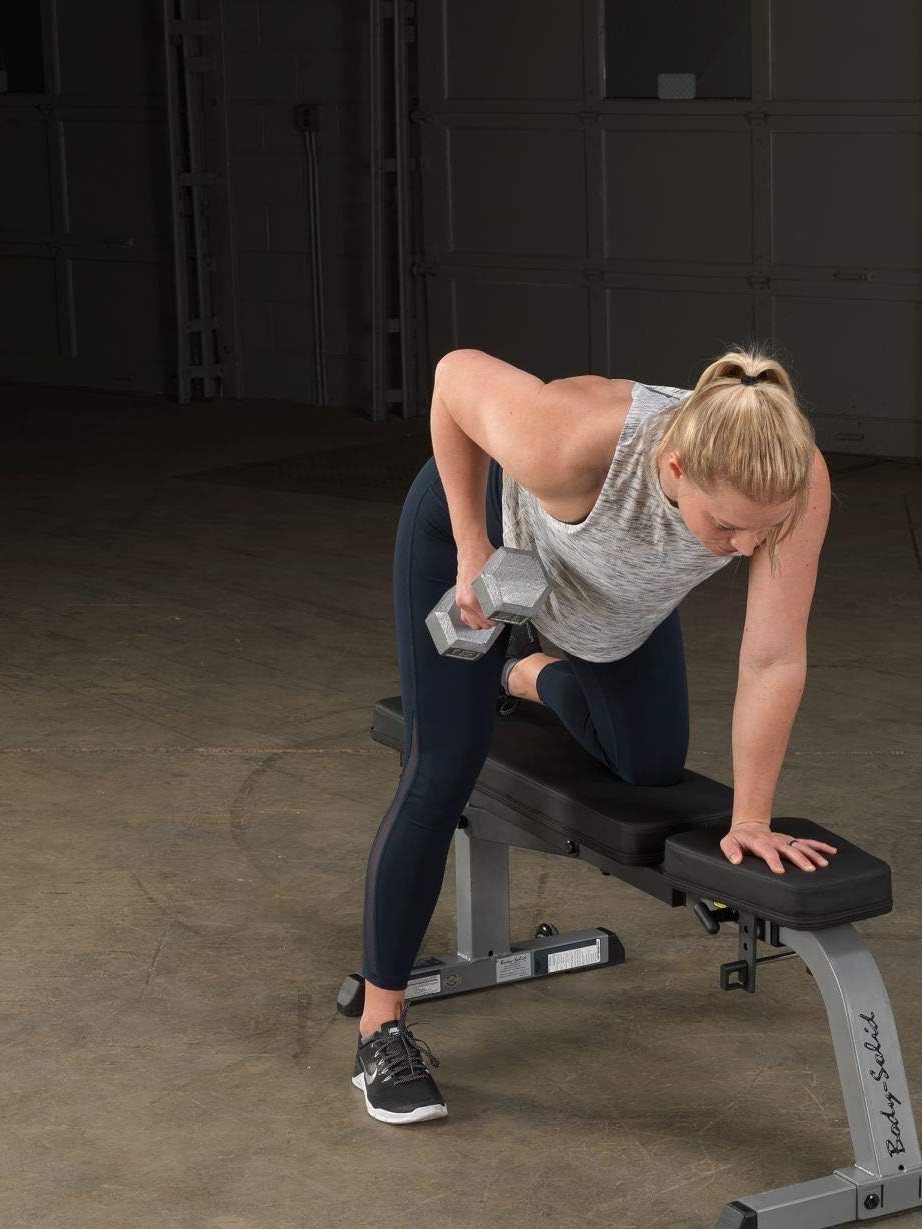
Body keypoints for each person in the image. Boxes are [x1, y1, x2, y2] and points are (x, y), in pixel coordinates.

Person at [354, 344, 837, 1124]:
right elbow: (450, 377)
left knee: (648, 767)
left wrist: (752, 818)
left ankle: (524, 673)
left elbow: (774, 656)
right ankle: (382, 1027)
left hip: (614, 600)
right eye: (728, 527)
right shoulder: (571, 437)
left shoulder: (794, 477)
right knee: (443, 770)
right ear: (674, 468)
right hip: (485, 544)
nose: (748, 549)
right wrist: (475, 547)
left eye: (763, 532)